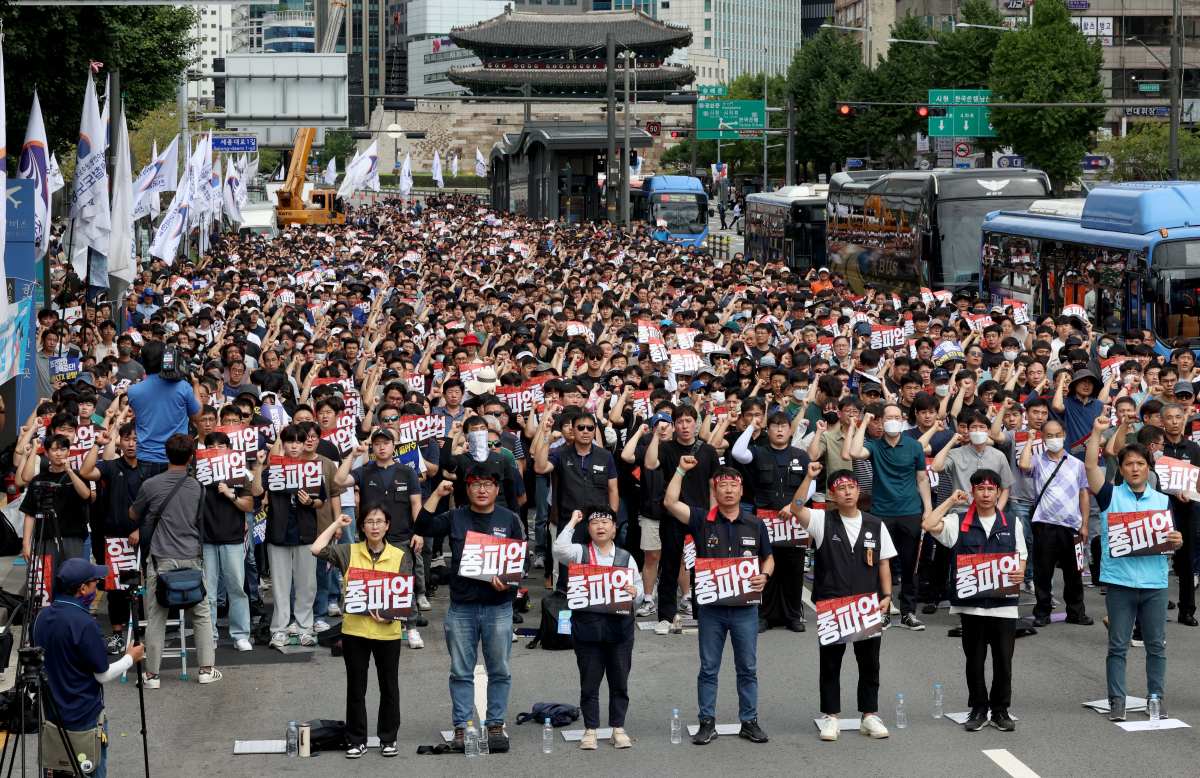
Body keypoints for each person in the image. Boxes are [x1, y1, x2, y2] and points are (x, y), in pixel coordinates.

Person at [414, 465, 525, 753]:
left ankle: (495, 723)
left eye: (488, 485)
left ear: (497, 489)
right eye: (476, 485)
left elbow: (520, 562)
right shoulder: (455, 516)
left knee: (499, 669)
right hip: (462, 606)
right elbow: (422, 527)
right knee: (460, 671)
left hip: (498, 607)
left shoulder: (509, 519)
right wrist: (436, 494)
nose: (482, 490)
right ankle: (461, 726)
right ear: (467, 489)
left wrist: (509, 586)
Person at [663, 458, 773, 746]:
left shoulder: (755, 522)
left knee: (747, 668)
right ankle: (706, 722)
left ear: (741, 490)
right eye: (721, 485)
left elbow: (769, 557)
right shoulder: (701, 519)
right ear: (714, 491)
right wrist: (681, 471)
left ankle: (749, 721)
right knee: (709, 668)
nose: (727, 490)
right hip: (711, 610)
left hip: (746, 610)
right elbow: (671, 502)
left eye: (732, 485)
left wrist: (764, 575)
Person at [1084, 417, 1182, 721]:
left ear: (1148, 468)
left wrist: (1176, 541)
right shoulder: (1110, 496)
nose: (1135, 468)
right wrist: (1098, 432)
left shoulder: (1162, 501)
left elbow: (1171, 540)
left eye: (1141, 463)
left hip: (1154, 583)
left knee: (1156, 647)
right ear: (1122, 469)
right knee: (1117, 646)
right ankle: (1117, 700)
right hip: (1120, 583)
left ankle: (1156, 698)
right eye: (1129, 464)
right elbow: (1090, 468)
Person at [787, 467, 894, 743]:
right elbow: (797, 508)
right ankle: (831, 717)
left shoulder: (875, 524)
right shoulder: (823, 520)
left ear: (859, 491)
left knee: (870, 662)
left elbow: (883, 562)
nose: (847, 492)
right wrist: (809, 479)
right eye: (841, 488)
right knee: (831, 663)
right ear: (832, 494)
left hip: (866, 603)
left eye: (851, 487)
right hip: (833, 603)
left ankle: (869, 715)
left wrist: (887, 595)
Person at [922, 471, 1026, 732]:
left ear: (999, 493)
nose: (987, 494)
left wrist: (1021, 571)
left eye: (992, 489)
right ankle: (978, 709)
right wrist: (949, 502)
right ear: (973, 492)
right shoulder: (958, 522)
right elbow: (928, 524)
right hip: (971, 606)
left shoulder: (1012, 522)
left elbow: (1021, 555)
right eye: (981, 489)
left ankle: (1001, 710)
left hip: (1003, 605)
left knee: (1004, 660)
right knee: (975, 660)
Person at [33, 558, 148, 778]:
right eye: (95, 582)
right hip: (84, 717)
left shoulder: (40, 617)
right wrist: (129, 659)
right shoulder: (86, 624)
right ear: (82, 588)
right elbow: (102, 675)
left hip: (51, 716)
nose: (98, 586)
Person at [311, 506, 404, 758]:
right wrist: (336, 524)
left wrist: (391, 616)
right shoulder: (348, 552)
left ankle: (388, 739)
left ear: (387, 525)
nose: (375, 526)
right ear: (361, 526)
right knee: (356, 688)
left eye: (380, 521)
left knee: (389, 688)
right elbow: (316, 549)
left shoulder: (399, 555)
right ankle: (356, 740)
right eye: (369, 521)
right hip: (354, 632)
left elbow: (407, 599)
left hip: (388, 633)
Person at [129, 433, 221, 687]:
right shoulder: (198, 487)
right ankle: (205, 670)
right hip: (192, 557)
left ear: (166, 455)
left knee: (157, 618)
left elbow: (133, 513)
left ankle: (152, 675)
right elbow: (197, 520)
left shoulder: (151, 484)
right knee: (201, 615)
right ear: (191, 457)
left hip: (160, 559)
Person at [553, 506, 644, 750]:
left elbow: (641, 591)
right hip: (587, 631)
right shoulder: (579, 553)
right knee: (589, 684)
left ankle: (618, 728)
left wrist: (636, 593)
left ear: (614, 530)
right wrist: (573, 521)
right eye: (595, 523)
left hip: (620, 631)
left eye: (606, 522)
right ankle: (590, 729)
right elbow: (559, 549)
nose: (600, 526)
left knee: (619, 683)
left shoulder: (626, 557)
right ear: (589, 529)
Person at [844, 405, 933, 630]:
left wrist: (928, 509)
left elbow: (922, 480)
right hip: (881, 513)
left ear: (903, 419)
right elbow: (854, 453)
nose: (892, 421)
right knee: (879, 563)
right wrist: (863, 423)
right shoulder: (874, 445)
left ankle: (908, 613)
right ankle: (882, 611)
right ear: (881, 421)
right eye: (888, 418)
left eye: (896, 417)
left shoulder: (914, 446)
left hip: (910, 512)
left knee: (910, 564)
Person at [334, 430, 425, 648]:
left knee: (404, 583)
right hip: (371, 538)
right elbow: (339, 479)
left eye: (386, 443)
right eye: (377, 443)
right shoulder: (364, 471)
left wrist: (420, 532)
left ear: (395, 445)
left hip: (401, 536)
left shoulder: (407, 472)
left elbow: (416, 503)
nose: (382, 447)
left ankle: (410, 627)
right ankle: (371, 624)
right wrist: (353, 455)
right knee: (371, 583)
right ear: (372, 447)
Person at [730, 410, 811, 633]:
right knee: (766, 564)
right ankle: (764, 615)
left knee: (793, 569)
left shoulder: (801, 455)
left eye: (783, 426)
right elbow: (737, 452)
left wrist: (794, 506)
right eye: (774, 426)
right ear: (768, 430)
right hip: (765, 520)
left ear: (790, 430)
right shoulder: (758, 452)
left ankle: (793, 616)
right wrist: (751, 426)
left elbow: (810, 484)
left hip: (793, 519)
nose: (779, 430)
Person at [646, 405, 721, 632]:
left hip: (702, 516)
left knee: (704, 567)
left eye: (689, 421)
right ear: (673, 425)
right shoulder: (667, 447)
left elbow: (713, 486)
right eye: (679, 422)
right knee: (669, 566)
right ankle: (665, 618)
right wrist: (656, 435)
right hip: (672, 514)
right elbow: (650, 464)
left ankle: (704, 614)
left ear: (696, 423)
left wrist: (714, 517)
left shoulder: (708, 451)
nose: (685, 426)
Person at [1018, 419, 1093, 627]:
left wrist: (1084, 525)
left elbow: (1083, 495)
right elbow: (1023, 465)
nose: (1054, 439)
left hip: (1072, 526)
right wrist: (1029, 440)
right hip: (1044, 523)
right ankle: (1042, 612)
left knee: (1074, 572)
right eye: (1049, 435)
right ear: (1043, 438)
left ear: (1064, 435)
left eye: (1057, 434)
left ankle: (1076, 612)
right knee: (1043, 571)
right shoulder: (1037, 460)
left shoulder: (1077, 464)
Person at [534, 410, 619, 591]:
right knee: (568, 573)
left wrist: (612, 522)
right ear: (573, 430)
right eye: (581, 427)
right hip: (570, 522)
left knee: (599, 570)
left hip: (599, 522)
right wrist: (548, 441)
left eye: (590, 427)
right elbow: (540, 467)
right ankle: (566, 615)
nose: (586, 431)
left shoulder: (605, 456)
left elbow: (613, 490)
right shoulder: (561, 453)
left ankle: (596, 613)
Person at [19, 434, 94, 591]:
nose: (58, 453)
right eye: (54, 449)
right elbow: (30, 513)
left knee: (74, 585)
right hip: (45, 539)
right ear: (46, 453)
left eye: (62, 449)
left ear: (69, 452)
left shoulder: (78, 476)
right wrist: (26, 543)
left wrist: (70, 472)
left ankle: (71, 614)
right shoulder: (38, 480)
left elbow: (86, 495)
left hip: (73, 537)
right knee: (45, 587)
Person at [125, 341, 204, 479]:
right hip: (176, 457)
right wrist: (196, 385)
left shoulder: (133, 391)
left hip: (146, 457)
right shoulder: (182, 387)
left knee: (150, 498)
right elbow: (197, 416)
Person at [1157, 402, 1200, 626]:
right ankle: (1155, 606)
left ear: (1184, 419)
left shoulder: (1194, 449)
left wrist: (1191, 494)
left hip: (1185, 510)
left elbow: (1199, 483)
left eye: (1178, 417)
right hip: (1159, 510)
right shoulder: (1156, 447)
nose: (1174, 422)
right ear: (1161, 422)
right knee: (1156, 559)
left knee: (1185, 563)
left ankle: (1187, 610)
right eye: (1170, 418)